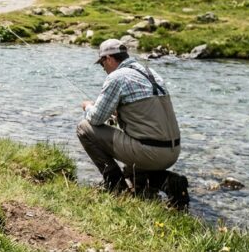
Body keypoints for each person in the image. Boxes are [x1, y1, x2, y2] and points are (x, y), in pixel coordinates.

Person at [77, 38, 189, 209]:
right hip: (172, 151)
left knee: (84, 128)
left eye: (102, 64)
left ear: (108, 59)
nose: (104, 69)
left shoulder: (117, 77)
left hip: (149, 152)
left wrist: (88, 106)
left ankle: (115, 186)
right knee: (134, 177)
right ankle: (168, 182)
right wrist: (119, 113)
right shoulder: (151, 73)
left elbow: (95, 119)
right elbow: (145, 115)